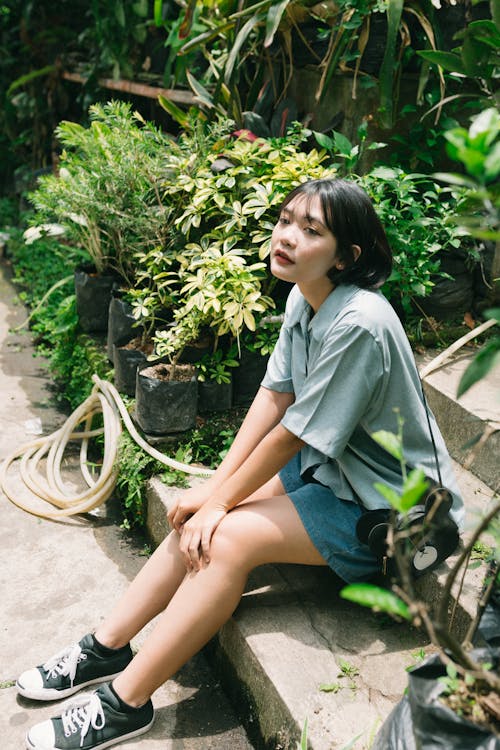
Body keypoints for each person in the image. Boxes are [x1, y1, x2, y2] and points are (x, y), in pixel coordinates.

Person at [17, 178, 464, 750]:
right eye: (285, 220)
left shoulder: (359, 323)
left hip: (393, 510)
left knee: (224, 540)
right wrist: (213, 490)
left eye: (312, 230)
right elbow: (274, 396)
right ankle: (105, 645)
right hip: (335, 471)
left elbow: (293, 433)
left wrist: (222, 503)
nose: (287, 237)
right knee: (195, 517)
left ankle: (124, 704)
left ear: (347, 256)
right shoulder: (307, 295)